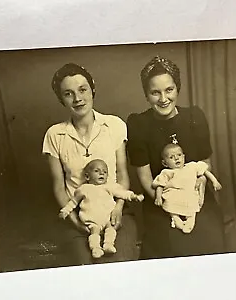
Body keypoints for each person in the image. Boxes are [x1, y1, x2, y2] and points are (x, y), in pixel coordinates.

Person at [127, 56, 226, 259]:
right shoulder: (138, 124)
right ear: (146, 95)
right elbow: (145, 177)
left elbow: (205, 162)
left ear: (177, 88)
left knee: (210, 239)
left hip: (197, 194)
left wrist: (200, 181)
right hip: (161, 199)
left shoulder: (195, 117)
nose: (163, 98)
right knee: (170, 246)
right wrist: (168, 202)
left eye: (169, 90)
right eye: (155, 92)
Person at [43, 63, 138, 265]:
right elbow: (59, 187)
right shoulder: (55, 134)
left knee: (118, 262)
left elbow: (122, 175)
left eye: (82, 90)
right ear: (61, 99)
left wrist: (119, 208)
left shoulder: (114, 125)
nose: (78, 98)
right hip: (79, 214)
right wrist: (75, 222)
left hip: (115, 209)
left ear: (92, 89)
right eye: (68, 94)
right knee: (84, 266)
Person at [59, 159, 144, 259]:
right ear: (87, 176)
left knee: (111, 228)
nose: (101, 173)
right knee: (94, 231)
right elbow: (73, 202)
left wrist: (134, 196)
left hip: (107, 217)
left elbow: (123, 193)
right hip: (92, 219)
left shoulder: (109, 187)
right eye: (97, 171)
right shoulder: (84, 189)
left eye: (104, 172)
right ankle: (95, 248)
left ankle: (108, 245)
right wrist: (65, 211)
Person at [152, 143, 222, 233]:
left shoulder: (192, 166)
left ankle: (190, 221)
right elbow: (160, 185)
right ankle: (176, 219)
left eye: (179, 155)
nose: (176, 158)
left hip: (188, 193)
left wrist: (214, 181)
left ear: (183, 156)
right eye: (171, 157)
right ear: (164, 163)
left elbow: (205, 171)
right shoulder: (166, 172)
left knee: (193, 204)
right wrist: (158, 198)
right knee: (170, 204)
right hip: (174, 194)